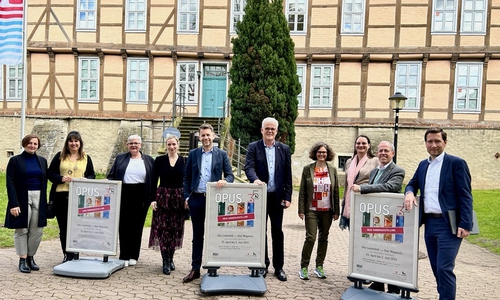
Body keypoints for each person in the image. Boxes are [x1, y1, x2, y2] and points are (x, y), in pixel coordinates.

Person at [403, 127, 473, 300]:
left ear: (445, 142)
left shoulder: (456, 163)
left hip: (450, 224)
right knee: (436, 267)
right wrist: (410, 193)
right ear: (425, 143)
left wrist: (466, 223)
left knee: (444, 268)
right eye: (430, 141)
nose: (433, 145)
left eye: (437, 141)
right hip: (430, 224)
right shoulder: (423, 165)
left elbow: (465, 195)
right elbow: (412, 183)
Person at [182, 123, 234, 283]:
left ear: (213, 136)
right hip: (196, 199)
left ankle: (212, 267)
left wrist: (224, 181)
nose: (205, 138)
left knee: (214, 234)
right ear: (199, 137)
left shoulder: (221, 154)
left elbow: (230, 175)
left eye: (208, 135)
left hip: (214, 199)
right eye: (202, 135)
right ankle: (195, 268)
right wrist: (187, 197)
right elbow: (186, 177)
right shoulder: (193, 154)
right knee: (197, 236)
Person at [352, 141, 405, 294]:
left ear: (392, 153)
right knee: (377, 247)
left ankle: (394, 287)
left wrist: (362, 188)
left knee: (390, 251)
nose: (382, 153)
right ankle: (378, 282)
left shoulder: (398, 170)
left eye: (386, 151)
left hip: (390, 217)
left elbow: (390, 187)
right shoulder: (375, 171)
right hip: (376, 215)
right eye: (380, 150)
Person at [244, 117, 292, 282]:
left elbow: (287, 174)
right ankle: (262, 264)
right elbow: (248, 166)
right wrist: (255, 179)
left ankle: (279, 267)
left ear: (276, 131)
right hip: (260, 196)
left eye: (273, 129)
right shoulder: (253, 147)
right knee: (260, 231)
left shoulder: (284, 149)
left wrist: (288, 196)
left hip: (277, 197)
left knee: (277, 232)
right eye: (267, 128)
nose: (270, 131)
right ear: (262, 130)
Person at [107, 134, 155, 266]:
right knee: (123, 226)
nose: (133, 145)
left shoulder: (149, 160)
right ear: (127, 145)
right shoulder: (120, 158)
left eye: (136, 143)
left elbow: (153, 181)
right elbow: (111, 176)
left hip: (141, 195)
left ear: (141, 145)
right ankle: (124, 255)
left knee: (137, 226)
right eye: (131, 143)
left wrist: (152, 198)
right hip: (124, 193)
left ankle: (134, 255)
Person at [49, 131, 95, 263]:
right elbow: (50, 174)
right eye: (71, 141)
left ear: (80, 143)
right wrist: (61, 178)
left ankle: (75, 253)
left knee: (77, 226)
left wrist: (85, 179)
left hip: (80, 196)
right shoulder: (60, 156)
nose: (74, 143)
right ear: (67, 143)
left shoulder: (86, 158)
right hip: (61, 196)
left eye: (76, 141)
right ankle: (66, 254)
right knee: (64, 227)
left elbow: (92, 175)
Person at [4, 134, 49, 273]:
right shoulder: (15, 160)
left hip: (39, 196)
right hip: (22, 196)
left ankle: (31, 257)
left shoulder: (42, 161)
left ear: (38, 146)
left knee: (37, 230)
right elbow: (10, 182)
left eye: (35, 144)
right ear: (24, 144)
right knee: (22, 229)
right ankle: (22, 259)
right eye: (29, 143)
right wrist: (14, 203)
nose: (32, 146)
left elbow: (45, 180)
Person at [297, 142, 339, 280]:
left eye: (324, 152)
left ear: (328, 154)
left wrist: (336, 210)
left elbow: (336, 191)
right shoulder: (308, 169)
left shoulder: (332, 169)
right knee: (311, 237)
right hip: (312, 209)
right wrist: (301, 210)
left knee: (324, 237)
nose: (322, 154)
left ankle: (319, 266)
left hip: (327, 210)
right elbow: (302, 190)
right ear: (315, 153)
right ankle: (304, 267)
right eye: (319, 152)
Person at [148, 135, 186, 275]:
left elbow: (187, 181)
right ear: (166, 146)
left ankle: (171, 258)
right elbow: (153, 180)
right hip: (163, 197)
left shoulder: (184, 161)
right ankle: (165, 261)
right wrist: (152, 199)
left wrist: (187, 199)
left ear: (178, 145)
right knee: (163, 229)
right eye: (169, 144)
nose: (171, 147)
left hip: (178, 199)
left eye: (174, 144)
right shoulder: (159, 160)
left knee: (175, 229)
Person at [339, 134, 378, 230]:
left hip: (365, 200)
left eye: (364, 143)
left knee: (363, 231)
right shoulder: (349, 161)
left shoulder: (375, 161)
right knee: (352, 233)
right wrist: (344, 200)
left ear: (369, 145)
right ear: (355, 145)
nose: (361, 145)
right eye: (358, 143)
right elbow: (347, 183)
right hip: (350, 200)